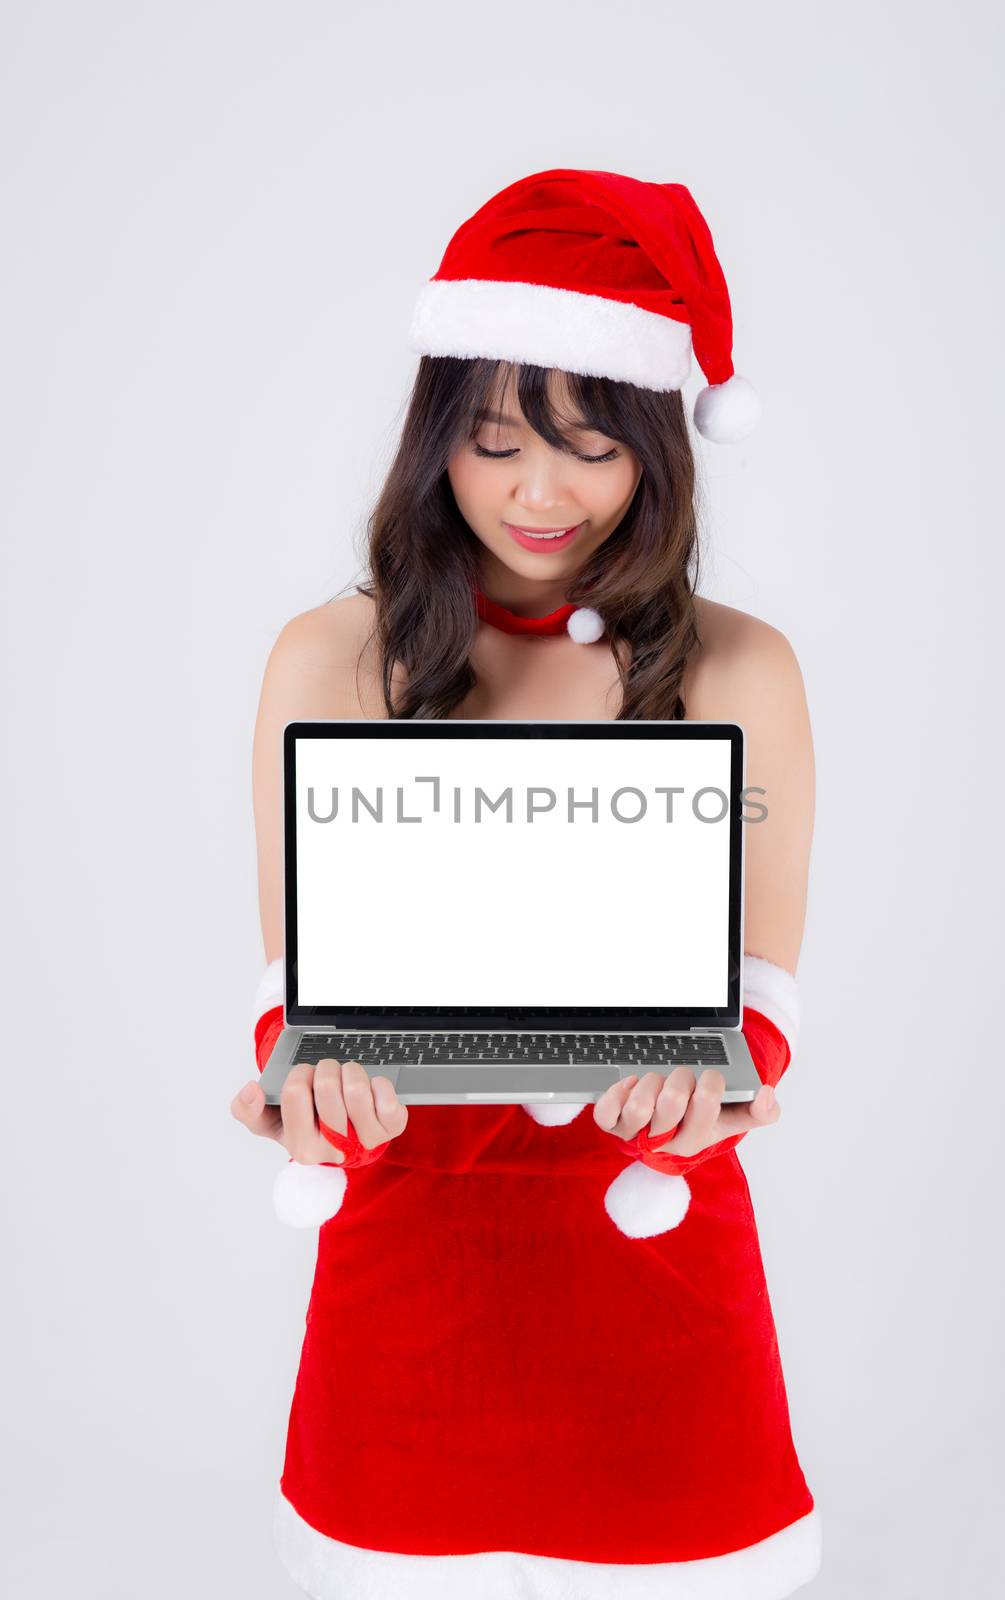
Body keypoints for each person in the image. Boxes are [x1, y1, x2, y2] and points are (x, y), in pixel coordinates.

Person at [231, 168, 821, 1599]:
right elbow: (297, 997)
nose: (538, 493)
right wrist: (305, 1079)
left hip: (654, 1276)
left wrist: (720, 1078)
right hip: (408, 1287)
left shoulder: (743, 668)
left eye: (589, 448)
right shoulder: (333, 656)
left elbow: (757, 1000)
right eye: (493, 441)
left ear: (658, 450)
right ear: (437, 438)